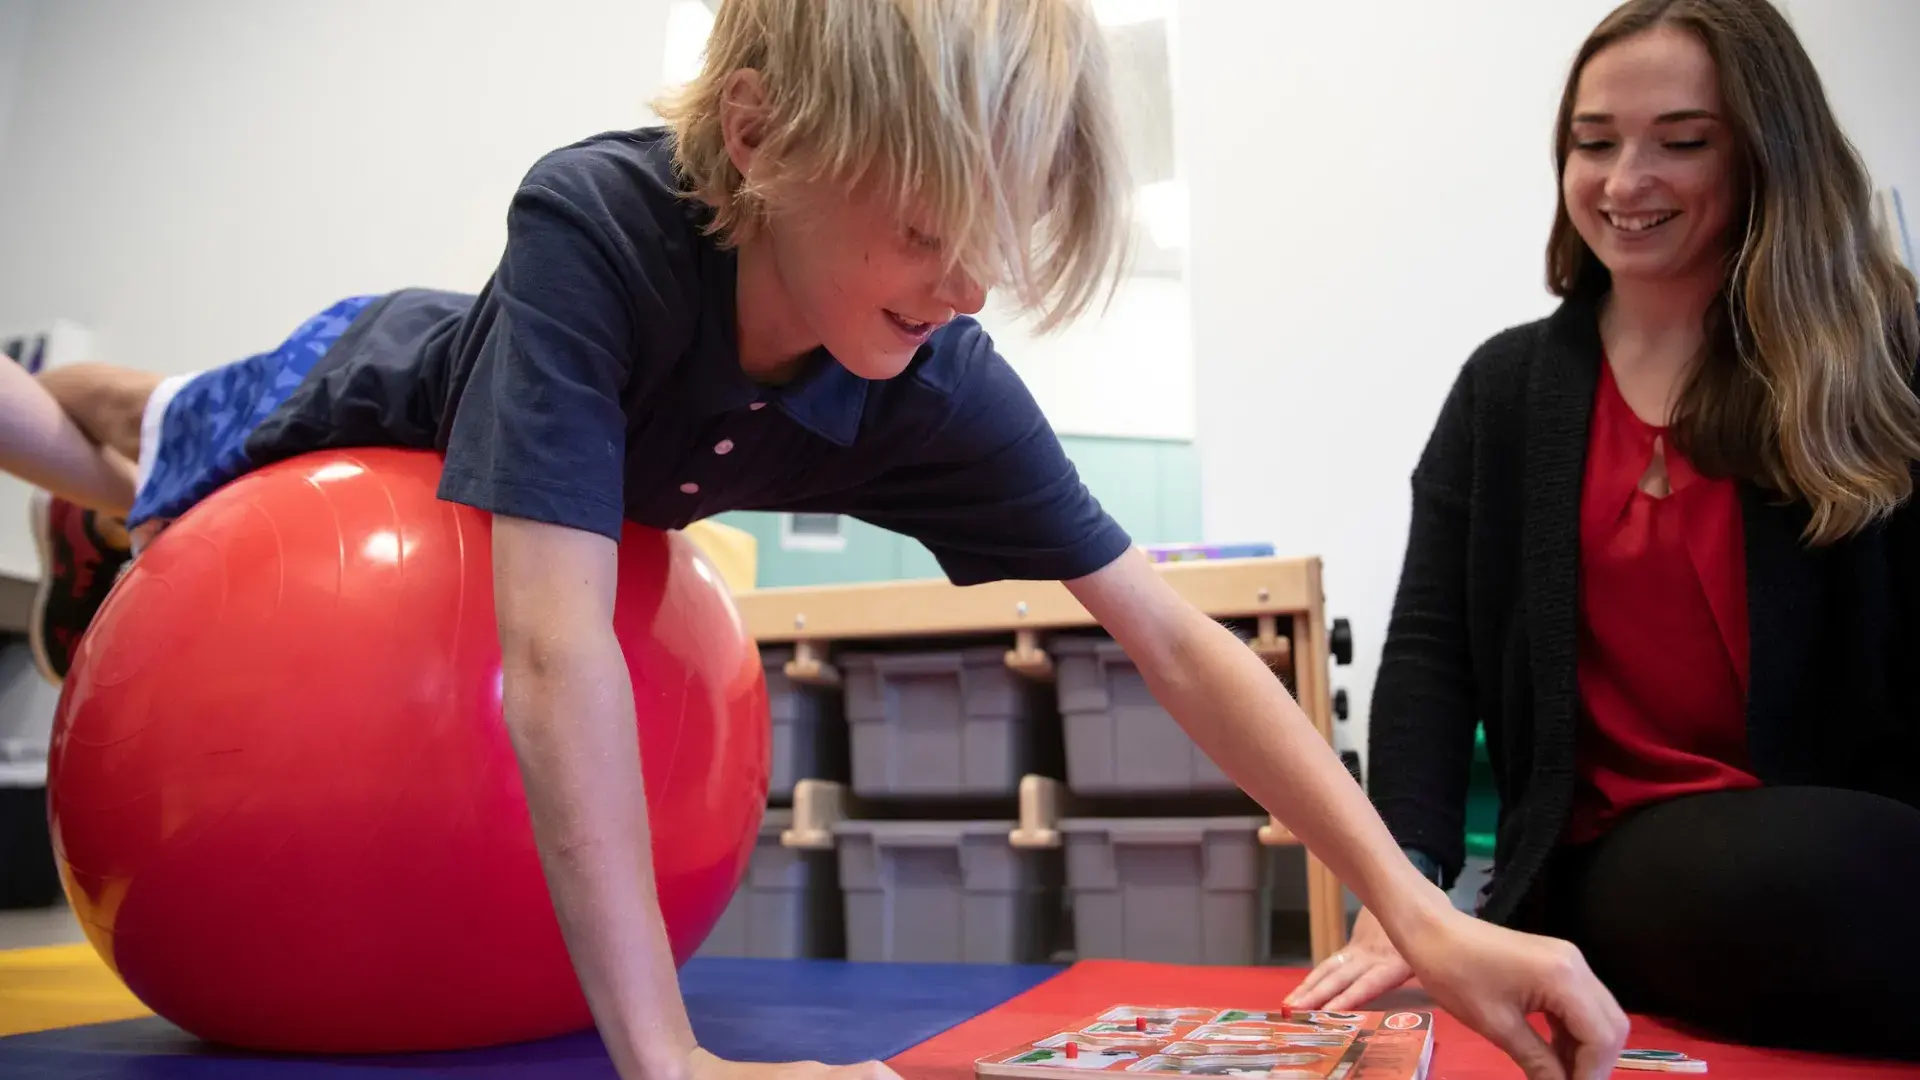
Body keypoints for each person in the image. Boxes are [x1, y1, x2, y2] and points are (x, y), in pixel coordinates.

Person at [3, 2, 1629, 1078]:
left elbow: (1178, 641)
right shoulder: (598, 225)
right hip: (386, 399)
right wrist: (668, 1058)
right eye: (931, 228)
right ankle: (62, 396)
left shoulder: (928, 365)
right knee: (126, 441)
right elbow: (555, 647)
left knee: (131, 447)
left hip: (569, 477)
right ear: (765, 135)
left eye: (991, 238)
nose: (968, 283)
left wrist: (1423, 913)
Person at [1288, 0, 1920, 1061]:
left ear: (1768, 152)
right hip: (1620, 855)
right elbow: (1432, 656)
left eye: (1681, 142)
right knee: (1818, 878)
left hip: (1857, 824)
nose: (1624, 182)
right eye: (1593, 143)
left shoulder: (1876, 361)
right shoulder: (1506, 390)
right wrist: (1407, 885)